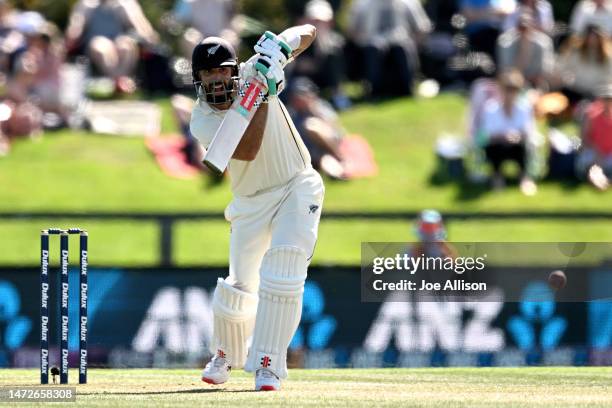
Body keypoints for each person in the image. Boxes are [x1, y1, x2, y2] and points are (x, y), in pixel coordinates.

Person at [189, 27, 324, 391]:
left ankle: (268, 363)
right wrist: (263, 96)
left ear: (234, 70)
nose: (217, 79)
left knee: (284, 270)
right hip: (249, 202)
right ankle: (225, 354)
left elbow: (308, 33)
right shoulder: (202, 119)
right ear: (197, 79)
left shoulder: (255, 71)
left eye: (222, 70)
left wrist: (277, 48)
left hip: (296, 185)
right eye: (208, 73)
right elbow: (247, 148)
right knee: (240, 285)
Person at [64, 0, 159, 93]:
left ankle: (119, 82)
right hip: (96, 42)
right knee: (102, 46)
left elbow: (140, 26)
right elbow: (75, 28)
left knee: (126, 46)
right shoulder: (86, 4)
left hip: (118, 41)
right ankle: (121, 82)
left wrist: (149, 38)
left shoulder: (125, 4)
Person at [480, 70, 538, 195]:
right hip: (497, 146)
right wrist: (504, 136)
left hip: (517, 146)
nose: (510, 94)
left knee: (522, 146)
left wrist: (517, 136)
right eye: (507, 89)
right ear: (501, 90)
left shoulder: (524, 107)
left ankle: (524, 177)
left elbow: (529, 131)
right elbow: (487, 135)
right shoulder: (491, 108)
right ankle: (497, 176)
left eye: (514, 90)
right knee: (494, 147)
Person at [496, 12, 554, 90]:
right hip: (512, 85)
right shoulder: (505, 42)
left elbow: (545, 72)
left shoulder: (544, 43)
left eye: (527, 27)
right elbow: (506, 72)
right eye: (521, 27)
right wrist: (524, 50)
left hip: (535, 84)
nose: (524, 31)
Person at [575, 84, 612, 190]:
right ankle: (599, 181)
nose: (608, 102)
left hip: (609, 155)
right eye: (606, 99)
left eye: (610, 99)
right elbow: (582, 139)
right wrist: (596, 151)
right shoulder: (591, 115)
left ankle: (604, 181)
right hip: (594, 153)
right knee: (592, 167)